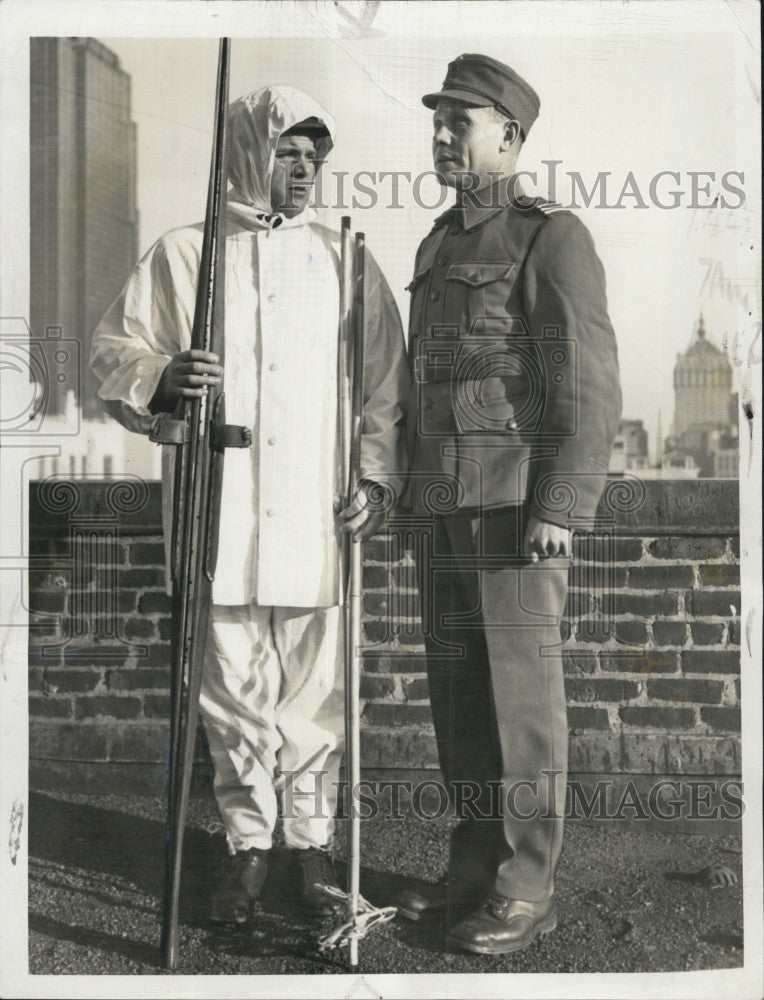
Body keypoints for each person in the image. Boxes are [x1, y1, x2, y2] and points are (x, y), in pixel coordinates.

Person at [90, 86, 408, 926]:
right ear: (246, 152)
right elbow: (111, 351)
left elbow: (385, 384)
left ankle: (309, 851)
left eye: (313, 158)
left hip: (317, 511)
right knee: (230, 692)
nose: (301, 172)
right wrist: (163, 376)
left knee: (315, 693)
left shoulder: (346, 254)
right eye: (286, 154)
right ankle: (247, 852)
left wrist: (374, 479)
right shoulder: (184, 254)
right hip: (218, 509)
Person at [396, 54, 622, 954]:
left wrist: (560, 506)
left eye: (463, 121)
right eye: (439, 120)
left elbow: (591, 386)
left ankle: (528, 885)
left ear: (511, 137)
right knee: (458, 698)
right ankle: (472, 864)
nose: (444, 135)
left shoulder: (548, 236)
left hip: (515, 512)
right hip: (444, 508)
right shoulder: (434, 244)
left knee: (523, 702)